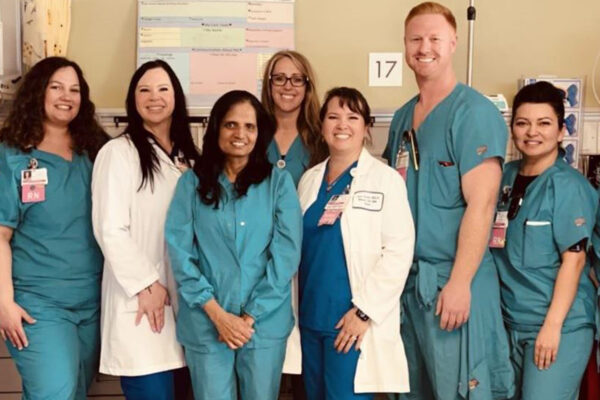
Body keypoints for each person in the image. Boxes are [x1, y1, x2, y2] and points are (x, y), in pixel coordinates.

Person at [382, 2, 514, 399]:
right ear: (405, 46)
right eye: (416, 39)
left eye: (435, 38)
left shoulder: (472, 112)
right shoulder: (404, 119)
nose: (425, 47)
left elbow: (482, 204)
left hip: (454, 285)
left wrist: (459, 283)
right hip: (410, 286)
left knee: (462, 390)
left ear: (453, 43)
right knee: (412, 390)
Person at [165, 90, 302, 400]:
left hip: (263, 326)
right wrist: (218, 315)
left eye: (249, 127)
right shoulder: (191, 184)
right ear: (216, 129)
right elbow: (181, 254)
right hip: (206, 321)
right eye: (231, 125)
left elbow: (286, 257)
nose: (240, 134)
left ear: (260, 133)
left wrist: (249, 317)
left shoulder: (278, 184)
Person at [286, 87, 414, 399]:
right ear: (322, 125)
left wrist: (364, 312)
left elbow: (398, 252)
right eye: (333, 116)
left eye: (352, 117)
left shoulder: (385, 181)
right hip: (309, 318)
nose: (342, 124)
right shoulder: (309, 180)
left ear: (366, 126)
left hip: (351, 323)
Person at [0, 56, 107, 399]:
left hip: (91, 302)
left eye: (75, 90)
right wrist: (4, 302)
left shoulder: (95, 153)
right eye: (56, 87)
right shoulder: (13, 155)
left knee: (75, 391)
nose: (67, 96)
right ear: (37, 93)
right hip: (38, 304)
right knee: (54, 393)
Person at [92, 60, 198, 399]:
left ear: (176, 97)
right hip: (141, 304)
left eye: (163, 88)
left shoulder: (189, 158)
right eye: (144, 89)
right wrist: (146, 285)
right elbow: (110, 228)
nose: (155, 97)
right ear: (133, 99)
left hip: (187, 307)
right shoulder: (118, 153)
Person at [490, 81, 597, 399]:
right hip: (510, 322)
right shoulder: (503, 178)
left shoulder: (568, 187)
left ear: (562, 131)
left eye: (544, 123)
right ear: (512, 129)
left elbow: (575, 260)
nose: (532, 132)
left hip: (558, 325)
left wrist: (551, 327)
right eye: (522, 123)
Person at [262, 50, 328, 186]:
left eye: (297, 80)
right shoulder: (253, 132)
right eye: (279, 78)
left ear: (307, 87)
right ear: (269, 85)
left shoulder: (322, 137)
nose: (287, 86)